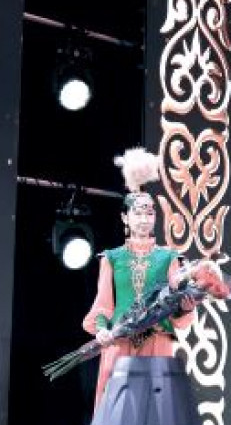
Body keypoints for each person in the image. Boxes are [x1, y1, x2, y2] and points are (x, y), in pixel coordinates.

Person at [83, 148, 194, 410]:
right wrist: (102, 330)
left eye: (150, 214)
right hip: (120, 342)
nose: (144, 220)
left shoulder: (169, 257)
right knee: (117, 413)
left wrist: (186, 307)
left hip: (157, 342)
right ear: (125, 217)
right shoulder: (112, 258)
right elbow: (103, 306)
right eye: (138, 213)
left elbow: (175, 303)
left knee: (156, 415)